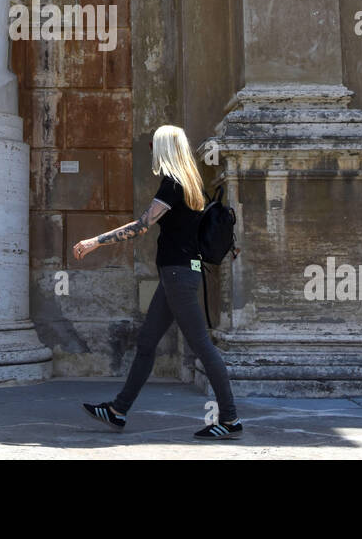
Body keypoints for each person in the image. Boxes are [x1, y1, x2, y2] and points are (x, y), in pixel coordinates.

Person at [72, 124, 242, 440]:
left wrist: (96, 241)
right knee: (148, 342)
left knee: (202, 345)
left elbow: (141, 226)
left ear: (165, 148)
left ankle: (230, 419)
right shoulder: (193, 184)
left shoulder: (174, 185)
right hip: (176, 275)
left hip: (179, 275)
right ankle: (118, 410)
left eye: (154, 146)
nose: (151, 151)